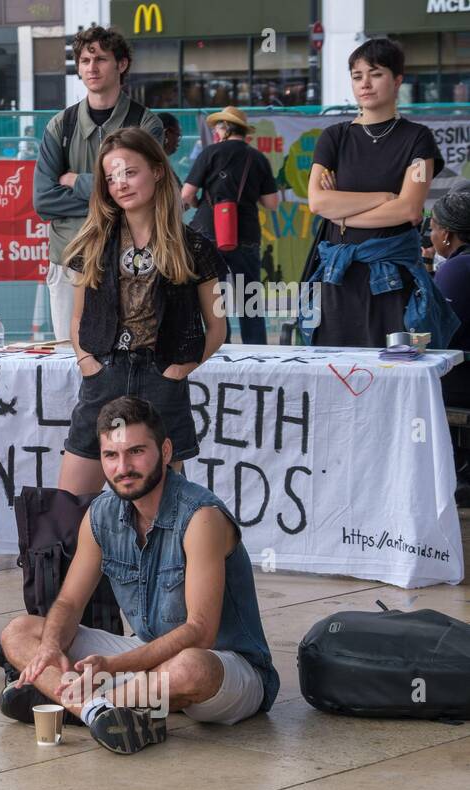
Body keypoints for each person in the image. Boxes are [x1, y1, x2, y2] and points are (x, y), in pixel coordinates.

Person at [0, 397, 279, 755]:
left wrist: (113, 666)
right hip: (148, 660)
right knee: (19, 632)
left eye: (136, 452)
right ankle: (102, 711)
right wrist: (51, 647)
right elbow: (68, 603)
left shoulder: (200, 517)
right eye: (111, 456)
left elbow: (200, 632)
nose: (123, 467)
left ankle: (81, 704)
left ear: (164, 450)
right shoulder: (101, 514)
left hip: (227, 669)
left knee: (191, 667)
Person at [59, 127, 227, 497]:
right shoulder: (92, 242)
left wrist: (182, 367)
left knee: (161, 513)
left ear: (158, 171)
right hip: (103, 375)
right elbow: (77, 318)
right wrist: (87, 360)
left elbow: (217, 326)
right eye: (111, 177)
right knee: (68, 507)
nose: (120, 183)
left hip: (161, 379)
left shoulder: (193, 246)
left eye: (130, 172)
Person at [307, 38, 457, 349]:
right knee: (335, 372)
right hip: (337, 277)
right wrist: (385, 197)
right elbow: (318, 202)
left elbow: (410, 211)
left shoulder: (419, 139)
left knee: (393, 372)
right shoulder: (333, 137)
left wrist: (344, 213)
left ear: (397, 79)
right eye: (357, 75)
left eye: (375, 73)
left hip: (392, 280)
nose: (365, 83)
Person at [35, 25, 163, 342]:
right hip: (70, 257)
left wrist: (77, 181)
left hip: (132, 260)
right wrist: (116, 193)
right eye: (84, 61)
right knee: (72, 357)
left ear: (121, 65)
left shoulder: (144, 124)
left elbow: (146, 193)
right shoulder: (60, 125)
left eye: (101, 59)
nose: (92, 68)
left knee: (132, 357)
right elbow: (43, 199)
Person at [182, 106, 279, 344]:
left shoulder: (210, 153)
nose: (215, 131)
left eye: (217, 127)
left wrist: (199, 202)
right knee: (249, 298)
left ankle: (218, 348)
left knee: (214, 296)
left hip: (207, 232)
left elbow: (186, 195)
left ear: (225, 129)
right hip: (245, 233)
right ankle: (257, 352)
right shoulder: (257, 158)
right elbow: (271, 202)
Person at [429, 188, 470, 504]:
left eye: (432, 227)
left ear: (447, 234)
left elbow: (434, 333)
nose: (430, 235)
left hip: (462, 383)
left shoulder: (457, 269)